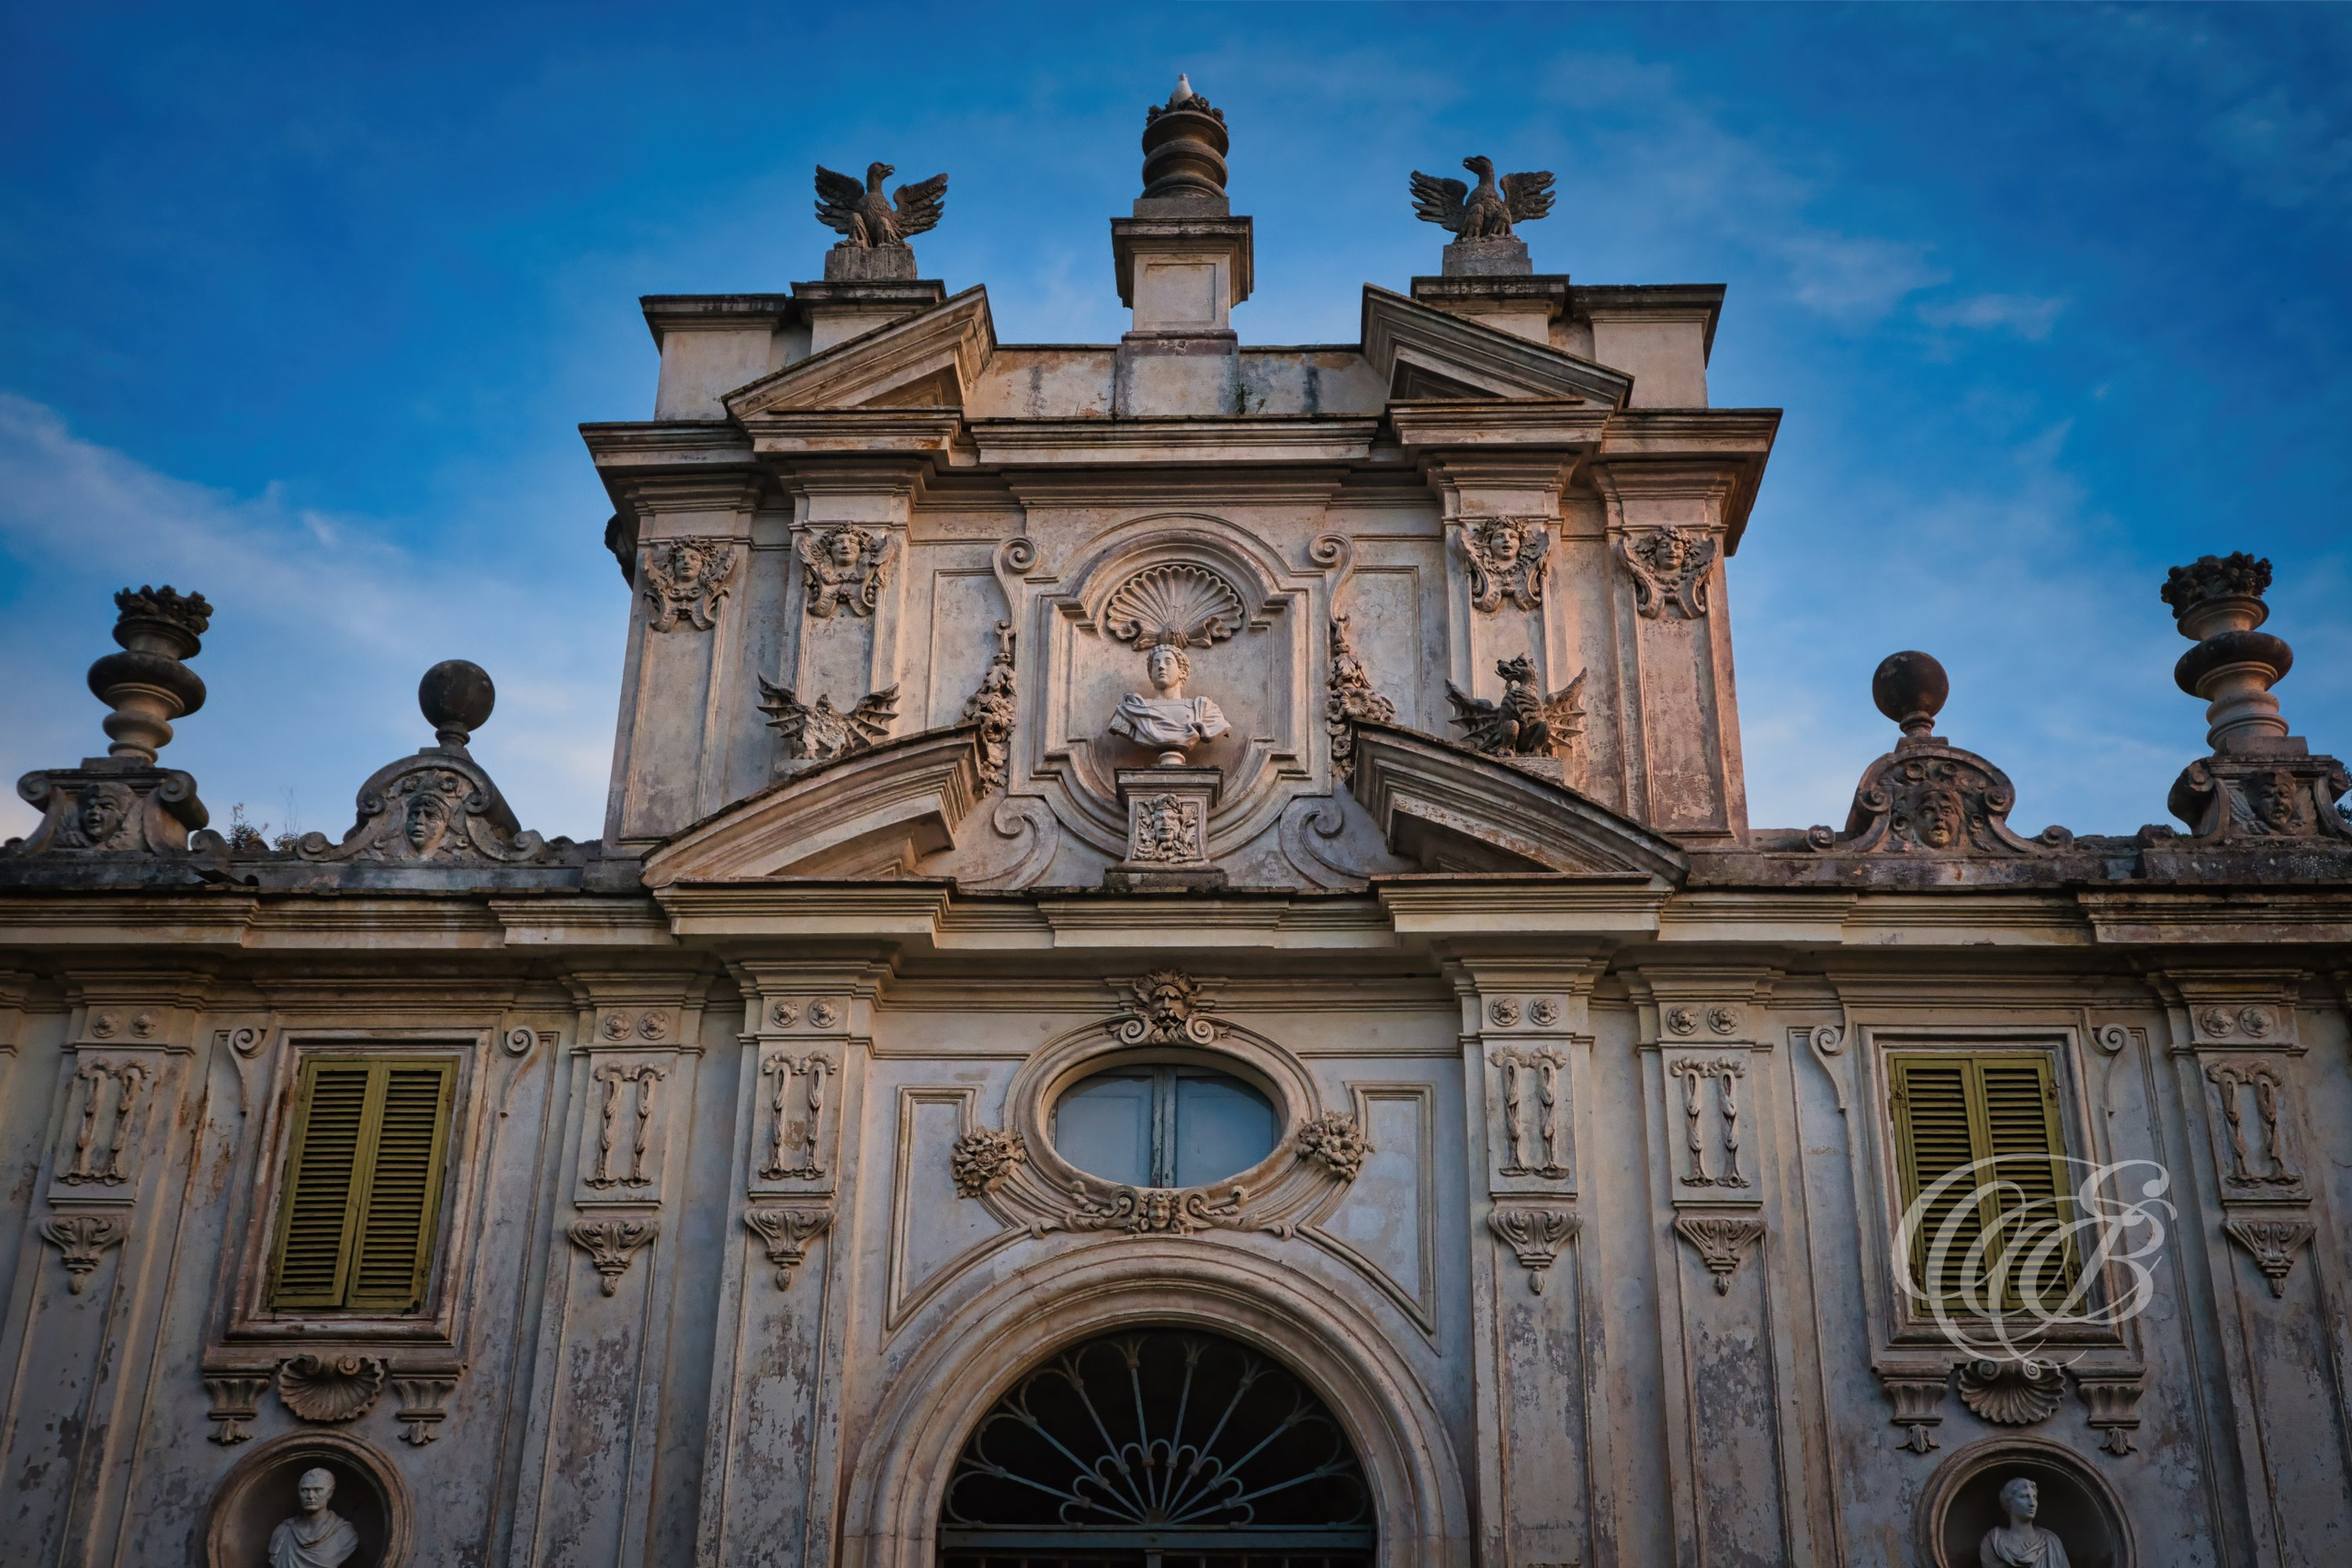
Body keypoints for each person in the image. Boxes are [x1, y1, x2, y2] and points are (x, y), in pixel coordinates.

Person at [1108, 640, 1229, 765]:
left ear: (1181, 672)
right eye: (1156, 663)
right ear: (1151, 674)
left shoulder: (1203, 708)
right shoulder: (1133, 707)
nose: (1161, 666)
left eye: (1168, 662)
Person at [267, 1467, 360, 1568]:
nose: (311, 1496)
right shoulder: (283, 1531)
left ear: (330, 1493)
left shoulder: (344, 1534)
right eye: (305, 1490)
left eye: (318, 1490)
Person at [1979, 1476, 2069, 1568]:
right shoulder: (1994, 1541)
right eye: (2024, 1496)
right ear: (2009, 1502)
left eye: (2034, 1497)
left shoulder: (2051, 1541)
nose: (2032, 1503)